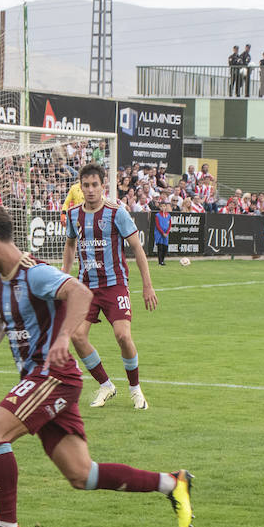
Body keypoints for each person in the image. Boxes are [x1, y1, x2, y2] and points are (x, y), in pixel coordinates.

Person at [0, 203, 193, 527]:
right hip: (41, 378)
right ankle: (172, 483)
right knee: (83, 475)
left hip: (53, 375)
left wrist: (65, 337)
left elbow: (80, 292)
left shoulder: (33, 273)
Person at [62, 162, 158, 410]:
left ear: (103, 186)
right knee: (77, 336)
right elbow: (70, 244)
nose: (91, 190)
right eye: (86, 185)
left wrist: (148, 286)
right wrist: (64, 275)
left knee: (123, 336)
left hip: (115, 285)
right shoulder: (74, 215)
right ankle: (106, 384)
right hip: (86, 288)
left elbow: (137, 247)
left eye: (95, 185)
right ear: (80, 188)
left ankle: (135, 389)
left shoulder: (117, 212)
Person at [152, 200, 171, 265]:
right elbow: (157, 225)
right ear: (159, 207)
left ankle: (163, 260)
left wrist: (167, 232)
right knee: (160, 247)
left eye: (164, 206)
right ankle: (160, 262)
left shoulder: (168, 215)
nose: (163, 208)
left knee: (165, 248)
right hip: (159, 233)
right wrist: (162, 233)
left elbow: (170, 225)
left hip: (166, 234)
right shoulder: (157, 215)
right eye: (161, 206)